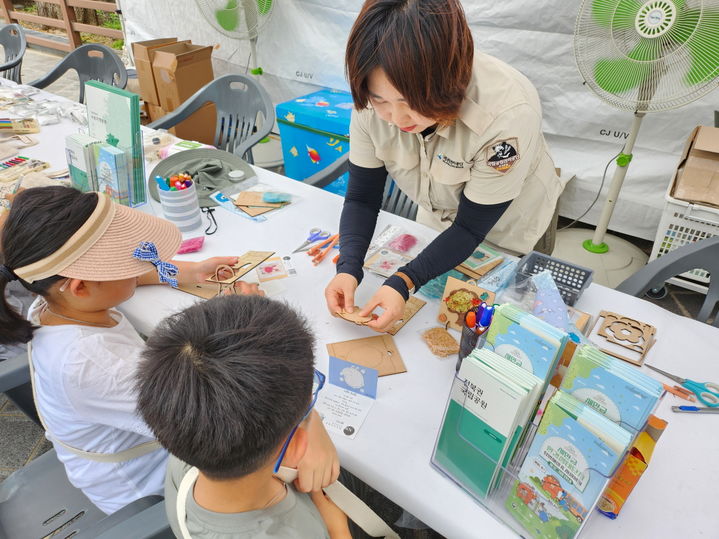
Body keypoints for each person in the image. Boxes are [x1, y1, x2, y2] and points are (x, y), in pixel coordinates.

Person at [0, 186, 338, 514]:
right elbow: (223, 416)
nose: (139, 263)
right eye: (124, 261)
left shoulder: (54, 302)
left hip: (146, 435)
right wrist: (245, 324)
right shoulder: (92, 364)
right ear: (81, 285)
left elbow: (123, 278)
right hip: (148, 486)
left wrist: (182, 271)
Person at [325, 0, 566, 332]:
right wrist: (348, 267)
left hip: (509, 227)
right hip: (439, 216)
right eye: (380, 100)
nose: (395, 119)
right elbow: (362, 198)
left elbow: (470, 228)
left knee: (500, 328)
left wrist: (403, 282)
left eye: (409, 103)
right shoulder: (370, 99)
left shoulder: (507, 115)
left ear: (447, 83)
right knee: (434, 317)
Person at [136, 295, 351, 538]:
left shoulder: (185, 459)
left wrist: (308, 423)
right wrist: (338, 529)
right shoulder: (298, 532)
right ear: (294, 447)